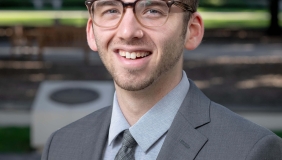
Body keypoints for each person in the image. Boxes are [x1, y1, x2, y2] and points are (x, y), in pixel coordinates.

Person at [41, 0, 282, 159]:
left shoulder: (250, 151)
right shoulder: (60, 147)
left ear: (192, 30)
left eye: (153, 10)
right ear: (91, 32)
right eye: (111, 9)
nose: (127, 32)